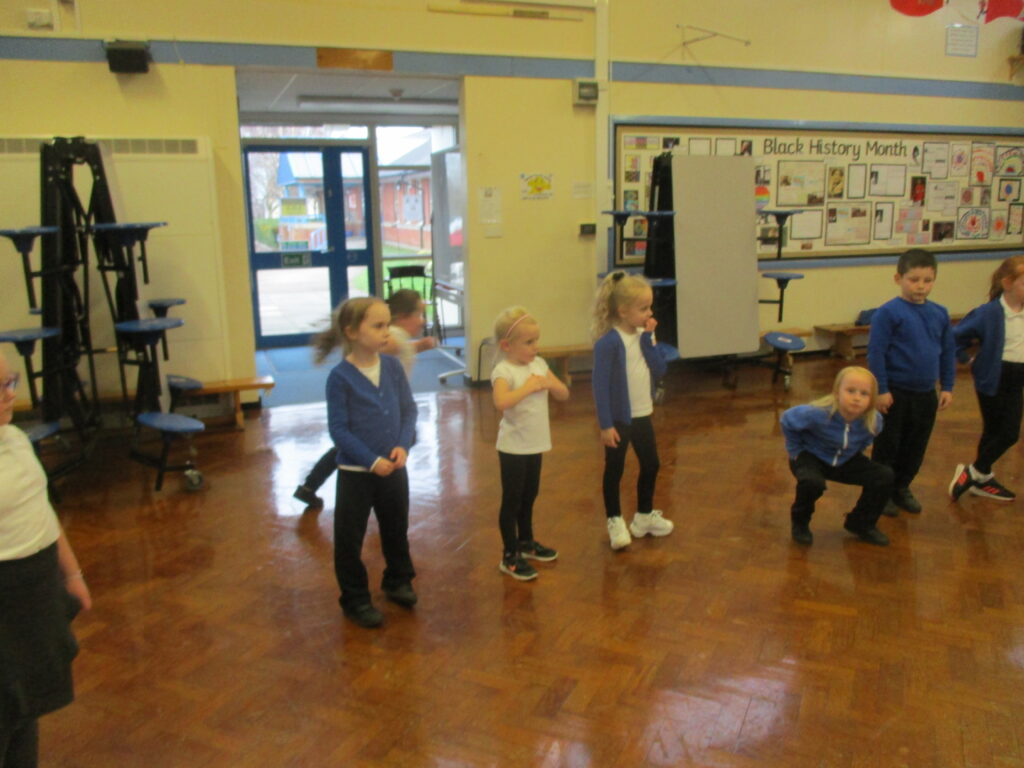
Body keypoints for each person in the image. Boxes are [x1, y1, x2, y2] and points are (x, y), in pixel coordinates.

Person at [0, 351, 92, 767]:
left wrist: (72, 575)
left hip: (35, 597)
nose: (9, 394)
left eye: (11, 382)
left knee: (27, 706)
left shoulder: (14, 439)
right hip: (5, 600)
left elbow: (42, 511)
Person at [314, 297, 418, 629]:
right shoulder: (340, 378)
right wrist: (371, 461)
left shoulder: (392, 367)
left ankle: (398, 580)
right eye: (378, 326)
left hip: (394, 470)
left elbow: (409, 410)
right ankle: (355, 598)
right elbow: (339, 431)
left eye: (388, 324)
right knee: (349, 538)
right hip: (356, 474)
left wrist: (402, 445)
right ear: (352, 332)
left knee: (396, 529)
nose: (387, 332)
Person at [294, 288, 435, 508]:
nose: (421, 320)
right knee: (349, 446)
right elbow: (383, 349)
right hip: (375, 407)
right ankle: (311, 485)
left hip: (388, 407)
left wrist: (420, 345)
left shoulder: (395, 338)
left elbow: (399, 351)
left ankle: (310, 486)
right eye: (418, 314)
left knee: (383, 441)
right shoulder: (391, 337)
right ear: (402, 317)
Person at [866, 248, 954, 517]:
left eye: (927, 280)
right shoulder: (887, 313)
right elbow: (876, 353)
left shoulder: (940, 313)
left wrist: (947, 386)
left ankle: (901, 487)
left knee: (916, 446)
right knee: (888, 446)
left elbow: (947, 351)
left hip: (925, 394)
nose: (921, 286)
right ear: (898, 278)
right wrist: (881, 390)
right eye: (914, 280)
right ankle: (880, 492)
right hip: (896, 393)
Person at [591, 271, 673, 551]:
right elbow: (600, 387)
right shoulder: (608, 343)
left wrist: (648, 338)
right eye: (643, 308)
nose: (649, 313)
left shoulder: (645, 335)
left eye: (650, 307)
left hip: (642, 414)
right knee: (615, 469)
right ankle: (615, 521)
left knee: (651, 464)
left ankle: (644, 516)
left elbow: (660, 368)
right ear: (623, 311)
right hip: (618, 419)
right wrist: (605, 425)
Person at [490, 307, 569, 581]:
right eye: (528, 342)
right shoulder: (503, 370)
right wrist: (528, 388)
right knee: (512, 501)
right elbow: (501, 402)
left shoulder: (540, 365)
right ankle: (509, 555)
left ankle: (526, 542)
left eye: (537, 340)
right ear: (506, 346)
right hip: (513, 447)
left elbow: (563, 393)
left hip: (536, 444)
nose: (535, 347)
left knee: (529, 495)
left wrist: (549, 383)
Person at [781, 366, 893, 547]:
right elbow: (787, 419)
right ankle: (800, 524)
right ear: (836, 392)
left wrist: (854, 453)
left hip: (845, 459)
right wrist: (795, 450)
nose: (856, 398)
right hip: (811, 455)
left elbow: (867, 439)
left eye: (864, 394)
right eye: (850, 391)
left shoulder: (874, 421)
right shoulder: (818, 413)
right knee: (812, 483)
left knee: (884, 476)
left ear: (871, 399)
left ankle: (860, 523)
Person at [948, 255, 1024, 502]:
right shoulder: (988, 313)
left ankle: (978, 475)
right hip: (992, 377)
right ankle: (977, 472)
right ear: (1007, 283)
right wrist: (966, 359)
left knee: (1000, 432)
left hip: (1017, 379)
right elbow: (953, 338)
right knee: (1004, 433)